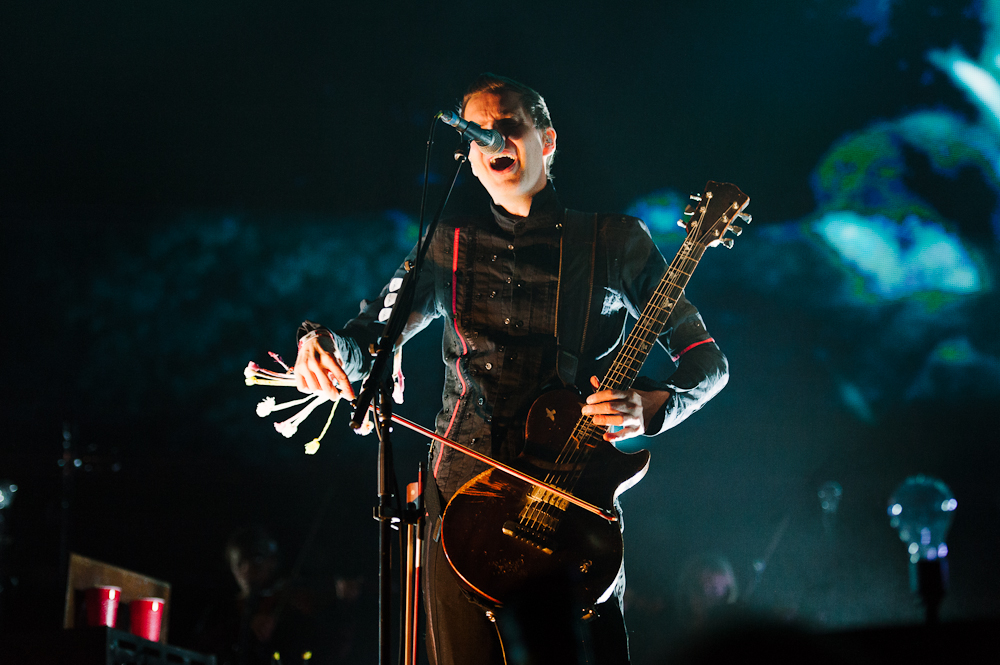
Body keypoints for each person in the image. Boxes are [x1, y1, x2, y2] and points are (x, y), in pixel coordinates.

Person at [293, 73, 728, 665]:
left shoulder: (614, 241)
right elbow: (369, 337)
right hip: (460, 509)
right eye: (478, 133)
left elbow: (707, 362)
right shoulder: (446, 245)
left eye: (508, 127)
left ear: (546, 141)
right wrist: (319, 343)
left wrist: (654, 405)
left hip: (568, 510)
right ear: (470, 160)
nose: (493, 141)